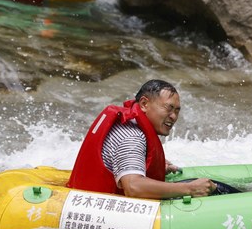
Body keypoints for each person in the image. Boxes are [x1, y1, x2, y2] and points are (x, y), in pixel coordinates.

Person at [68, 79, 216, 199]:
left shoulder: (130, 124)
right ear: (144, 104)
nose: (173, 116)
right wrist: (189, 189)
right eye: (169, 108)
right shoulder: (132, 136)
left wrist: (144, 165)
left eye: (177, 111)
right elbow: (133, 187)